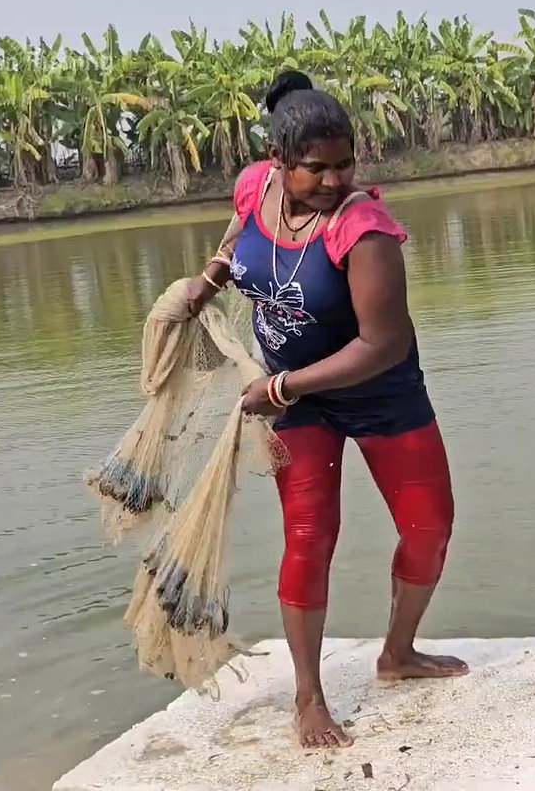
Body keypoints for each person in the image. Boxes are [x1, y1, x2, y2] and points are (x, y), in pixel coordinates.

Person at [185, 70, 467, 749]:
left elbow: (383, 342)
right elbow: (237, 239)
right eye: (317, 169)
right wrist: (207, 282)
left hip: (380, 396)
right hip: (299, 405)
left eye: (345, 165)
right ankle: (309, 697)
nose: (335, 181)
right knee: (309, 537)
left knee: (429, 528)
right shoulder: (255, 187)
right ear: (279, 162)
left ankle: (398, 655)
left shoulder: (363, 229)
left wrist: (282, 389)